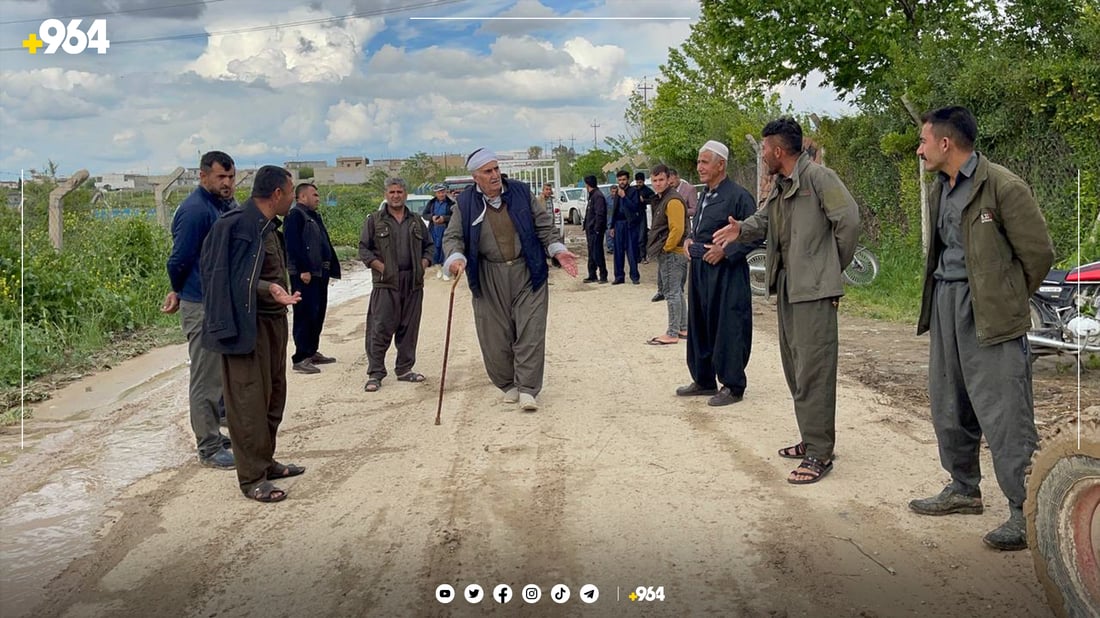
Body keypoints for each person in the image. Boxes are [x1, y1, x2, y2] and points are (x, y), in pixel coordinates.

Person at [907, 106, 1054, 551]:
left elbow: (1039, 254)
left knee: (1005, 412)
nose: (919, 149)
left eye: (924, 141)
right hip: (946, 303)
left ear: (945, 144)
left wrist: (1005, 296)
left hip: (988, 309)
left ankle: (1024, 511)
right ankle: (964, 489)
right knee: (948, 402)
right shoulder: (940, 188)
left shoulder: (1003, 186)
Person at [713, 118, 861, 484]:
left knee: (815, 371)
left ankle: (819, 454)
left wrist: (829, 269)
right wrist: (740, 230)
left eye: (764, 149)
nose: (762, 155)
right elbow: (763, 222)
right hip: (791, 290)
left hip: (815, 292)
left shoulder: (819, 179)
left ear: (778, 150)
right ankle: (811, 438)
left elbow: (849, 221)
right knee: (797, 369)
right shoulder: (782, 186)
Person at [443, 147, 579, 411]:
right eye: (488, 171)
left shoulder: (520, 192)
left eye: (496, 169)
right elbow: (453, 236)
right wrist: (456, 258)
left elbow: (543, 225)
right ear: (476, 177)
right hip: (487, 275)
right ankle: (508, 383)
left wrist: (558, 250)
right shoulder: (464, 203)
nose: (495, 175)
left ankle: (528, 388)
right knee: (494, 337)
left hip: (527, 271)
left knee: (531, 330)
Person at [200, 165, 305, 503]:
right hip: (246, 328)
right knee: (248, 405)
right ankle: (252, 479)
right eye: (290, 193)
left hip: (274, 323)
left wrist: (275, 292)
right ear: (277, 194)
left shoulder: (268, 228)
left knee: (273, 398)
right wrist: (266, 289)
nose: (292, 199)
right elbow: (220, 279)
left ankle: (266, 461)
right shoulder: (234, 227)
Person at [161, 150, 236, 470]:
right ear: (202, 175)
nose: (228, 183)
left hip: (219, 302)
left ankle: (216, 435)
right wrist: (179, 290)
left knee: (221, 374)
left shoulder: (222, 206)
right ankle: (207, 447)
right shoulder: (194, 210)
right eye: (221, 177)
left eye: (231, 177)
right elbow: (178, 260)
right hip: (200, 303)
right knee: (205, 378)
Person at [675, 142, 758, 406]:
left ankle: (733, 385)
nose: (699, 167)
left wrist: (727, 251)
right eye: (699, 162)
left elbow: (755, 234)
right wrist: (689, 241)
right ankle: (703, 379)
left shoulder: (738, 196)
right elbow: (699, 229)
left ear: (720, 164)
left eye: (705, 162)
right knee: (699, 323)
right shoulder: (705, 195)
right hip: (700, 269)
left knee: (728, 326)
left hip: (727, 274)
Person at [359, 177, 435, 392]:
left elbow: (430, 246)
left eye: (399, 192)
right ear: (386, 195)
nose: (396, 196)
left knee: (409, 328)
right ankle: (375, 373)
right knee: (380, 327)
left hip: (412, 283)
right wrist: (380, 266)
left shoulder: (416, 221)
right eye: (392, 192)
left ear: (406, 194)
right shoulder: (374, 221)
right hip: (386, 283)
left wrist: (424, 262)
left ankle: (404, 369)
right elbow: (363, 249)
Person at [284, 182, 340, 375]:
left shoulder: (312, 216)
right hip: (305, 275)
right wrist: (303, 269)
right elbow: (292, 245)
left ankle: (312, 351)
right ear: (302, 197)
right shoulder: (295, 216)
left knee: (317, 314)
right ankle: (300, 357)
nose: (317, 198)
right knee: (304, 315)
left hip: (319, 273)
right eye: (314, 195)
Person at [645, 164, 689, 345]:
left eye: (661, 180)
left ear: (669, 179)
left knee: (671, 293)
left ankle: (672, 333)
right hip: (674, 253)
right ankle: (683, 328)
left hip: (673, 253)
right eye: (654, 180)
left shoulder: (672, 200)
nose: (657, 183)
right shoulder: (664, 198)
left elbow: (677, 229)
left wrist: (666, 248)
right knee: (677, 292)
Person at [607, 170, 643, 285]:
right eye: (620, 180)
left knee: (631, 250)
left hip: (630, 224)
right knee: (618, 251)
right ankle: (619, 276)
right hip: (618, 224)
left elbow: (635, 207)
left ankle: (635, 276)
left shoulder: (633, 192)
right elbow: (615, 210)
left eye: (623, 179)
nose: (621, 182)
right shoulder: (617, 192)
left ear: (627, 180)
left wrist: (624, 197)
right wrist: (612, 226)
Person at [422, 183, 455, 280]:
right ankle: (438, 269)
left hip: (446, 230)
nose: (441, 194)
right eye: (439, 192)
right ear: (436, 193)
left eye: (443, 192)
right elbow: (425, 214)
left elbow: (455, 216)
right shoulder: (431, 203)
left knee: (445, 250)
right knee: (436, 250)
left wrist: (444, 218)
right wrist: (432, 217)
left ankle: (446, 271)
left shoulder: (451, 203)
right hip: (434, 230)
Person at [581, 175, 608, 283]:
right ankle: (592, 274)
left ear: (587, 184)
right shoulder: (592, 195)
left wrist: (597, 229)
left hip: (595, 230)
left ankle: (603, 275)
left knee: (597, 252)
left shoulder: (598, 196)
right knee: (591, 252)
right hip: (590, 229)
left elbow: (599, 214)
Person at [634, 172, 656, 264]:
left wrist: (644, 200)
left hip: (642, 214)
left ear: (643, 181)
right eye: (637, 182)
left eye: (640, 182)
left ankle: (643, 256)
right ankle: (636, 256)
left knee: (642, 236)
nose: (639, 184)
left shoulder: (648, 191)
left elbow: (653, 200)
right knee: (634, 236)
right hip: (633, 215)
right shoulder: (633, 190)